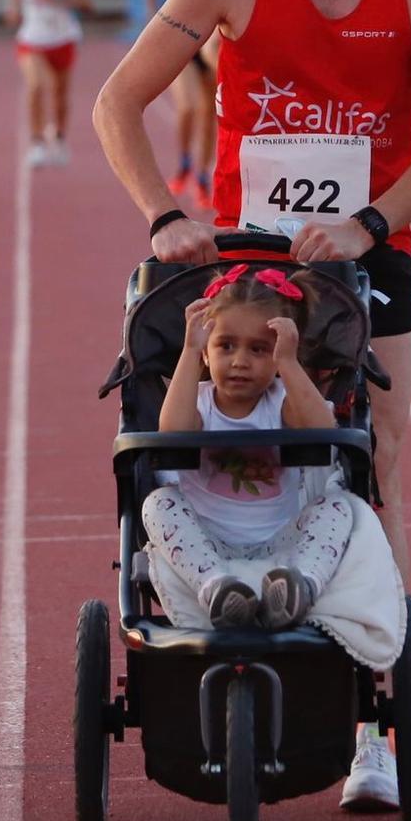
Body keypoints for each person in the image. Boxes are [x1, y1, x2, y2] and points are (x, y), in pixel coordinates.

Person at [94, 0, 411, 813]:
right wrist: (162, 218)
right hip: (240, 264)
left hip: (365, 252)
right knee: (199, 444)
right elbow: (116, 101)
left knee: (371, 461)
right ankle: (202, 608)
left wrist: (369, 223)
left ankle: (370, 722)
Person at [144, 265, 349, 629]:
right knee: (157, 504)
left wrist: (288, 362)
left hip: (281, 543)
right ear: (207, 354)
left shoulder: (282, 402)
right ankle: (217, 589)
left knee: (337, 507)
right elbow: (171, 431)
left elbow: (322, 429)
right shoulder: (199, 403)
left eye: (259, 350)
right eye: (225, 346)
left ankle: (300, 585)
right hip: (206, 541)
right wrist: (189, 352)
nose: (240, 361)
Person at [147, 0, 222, 208]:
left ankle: (202, 176)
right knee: (188, 107)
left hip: (211, 48)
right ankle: (184, 161)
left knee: (209, 113)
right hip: (182, 48)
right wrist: (157, 19)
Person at [5, 0, 92, 169]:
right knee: (36, 84)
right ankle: (36, 141)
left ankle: (60, 136)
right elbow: (13, 1)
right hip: (31, 39)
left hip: (62, 38)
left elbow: (86, 2)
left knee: (60, 94)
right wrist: (12, 12)